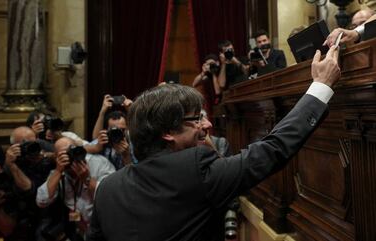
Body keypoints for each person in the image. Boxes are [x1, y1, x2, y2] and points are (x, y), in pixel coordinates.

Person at [87, 45, 341, 241]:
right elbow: (272, 149)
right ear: (167, 132)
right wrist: (320, 86)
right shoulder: (195, 170)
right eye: (197, 119)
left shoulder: (107, 189)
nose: (207, 126)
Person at [36, 137, 115, 239]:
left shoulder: (99, 163)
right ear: (56, 157)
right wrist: (58, 171)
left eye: (72, 151)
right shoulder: (58, 173)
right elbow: (42, 201)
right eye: (64, 154)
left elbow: (111, 196)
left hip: (104, 225)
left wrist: (87, 179)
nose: (70, 157)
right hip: (80, 228)